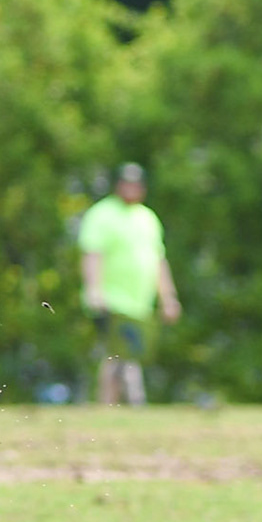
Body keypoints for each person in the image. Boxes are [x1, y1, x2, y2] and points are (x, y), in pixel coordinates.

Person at [79, 163, 180, 405]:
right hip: (112, 300)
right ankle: (119, 404)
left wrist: (168, 297)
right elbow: (92, 254)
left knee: (129, 355)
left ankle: (121, 407)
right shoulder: (102, 214)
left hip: (140, 304)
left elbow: (158, 260)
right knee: (118, 355)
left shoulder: (148, 218)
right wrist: (94, 290)